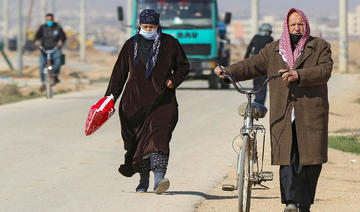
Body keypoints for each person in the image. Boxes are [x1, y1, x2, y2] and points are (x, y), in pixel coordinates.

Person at [215, 8, 333, 212]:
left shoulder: (320, 46)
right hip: (283, 111)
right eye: (293, 24)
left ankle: (304, 204)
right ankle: (290, 202)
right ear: (286, 27)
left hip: (311, 111)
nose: (297, 28)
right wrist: (228, 72)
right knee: (287, 157)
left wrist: (298, 74)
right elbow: (251, 65)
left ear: (306, 25)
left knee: (310, 160)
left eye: (300, 24)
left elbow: (324, 71)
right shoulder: (274, 49)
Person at [104, 9, 189, 194]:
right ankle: (143, 179)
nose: (148, 29)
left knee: (160, 138)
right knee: (137, 143)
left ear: (158, 26)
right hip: (134, 104)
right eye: (145, 26)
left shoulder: (170, 43)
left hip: (162, 101)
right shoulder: (130, 45)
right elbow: (119, 74)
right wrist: (109, 98)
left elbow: (183, 67)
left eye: (152, 26)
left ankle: (159, 178)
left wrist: (173, 81)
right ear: (140, 26)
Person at [34, 13, 66, 91]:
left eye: (50, 20)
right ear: (46, 20)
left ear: (53, 19)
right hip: (44, 50)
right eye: (47, 20)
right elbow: (37, 37)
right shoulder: (42, 28)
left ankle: (55, 76)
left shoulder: (57, 28)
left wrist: (61, 41)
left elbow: (63, 37)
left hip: (55, 49)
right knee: (41, 65)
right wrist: (36, 41)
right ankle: (43, 82)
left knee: (58, 61)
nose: (49, 21)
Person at [244, 23, 273, 105]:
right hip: (264, 63)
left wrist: (245, 60)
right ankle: (260, 102)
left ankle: (256, 100)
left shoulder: (255, 37)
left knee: (256, 81)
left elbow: (249, 48)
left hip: (254, 62)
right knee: (263, 83)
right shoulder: (269, 38)